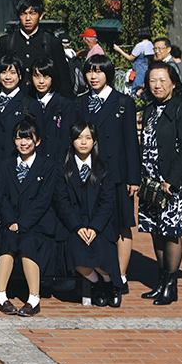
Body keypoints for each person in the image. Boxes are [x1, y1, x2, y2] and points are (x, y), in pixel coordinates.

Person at [137, 62, 182, 305]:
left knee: (171, 232)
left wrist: (172, 180)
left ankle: (171, 285)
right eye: (153, 80)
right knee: (156, 231)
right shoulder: (150, 109)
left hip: (171, 183)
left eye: (163, 80)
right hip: (150, 183)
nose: (158, 85)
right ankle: (161, 281)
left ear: (173, 83)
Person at [80, 53, 140, 296]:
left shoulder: (123, 102)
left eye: (99, 71)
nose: (93, 76)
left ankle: (120, 276)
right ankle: (99, 274)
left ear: (109, 74)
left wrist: (133, 178)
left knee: (122, 223)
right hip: (89, 173)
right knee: (94, 222)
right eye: (89, 71)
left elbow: (131, 143)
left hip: (117, 175)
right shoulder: (81, 102)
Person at [0, 118, 59, 317]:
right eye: (19, 138)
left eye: (28, 138)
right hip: (11, 221)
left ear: (37, 141)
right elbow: (1, 196)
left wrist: (23, 223)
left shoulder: (48, 166)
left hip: (36, 223)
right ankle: (1, 295)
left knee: (28, 242)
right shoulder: (5, 164)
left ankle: (33, 299)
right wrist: (11, 221)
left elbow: (44, 199)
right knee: (8, 240)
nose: (23, 143)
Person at [55, 121, 120, 309]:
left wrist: (94, 227)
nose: (83, 142)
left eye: (88, 138)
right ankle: (96, 284)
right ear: (71, 140)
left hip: (99, 223)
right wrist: (78, 226)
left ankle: (109, 283)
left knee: (101, 251)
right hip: (74, 223)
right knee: (77, 253)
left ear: (95, 141)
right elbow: (61, 202)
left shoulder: (105, 168)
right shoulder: (62, 169)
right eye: (78, 138)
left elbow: (107, 203)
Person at [0, 0, 73, 96]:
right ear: (18, 16)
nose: (28, 18)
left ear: (40, 16)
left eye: (32, 13)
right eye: (24, 14)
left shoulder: (51, 42)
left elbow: (64, 79)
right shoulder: (6, 42)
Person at [25, 56, 76, 165]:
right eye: (37, 76)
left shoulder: (65, 105)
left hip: (57, 164)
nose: (41, 81)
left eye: (46, 76)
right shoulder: (27, 104)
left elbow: (66, 140)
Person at [0, 54, 28, 157]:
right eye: (3, 72)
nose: (8, 77)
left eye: (13, 73)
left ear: (20, 76)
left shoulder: (29, 104)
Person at [112, 27, 154, 96]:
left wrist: (118, 49)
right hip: (147, 69)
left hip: (138, 70)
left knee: (135, 89)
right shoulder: (151, 44)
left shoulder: (140, 45)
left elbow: (130, 58)